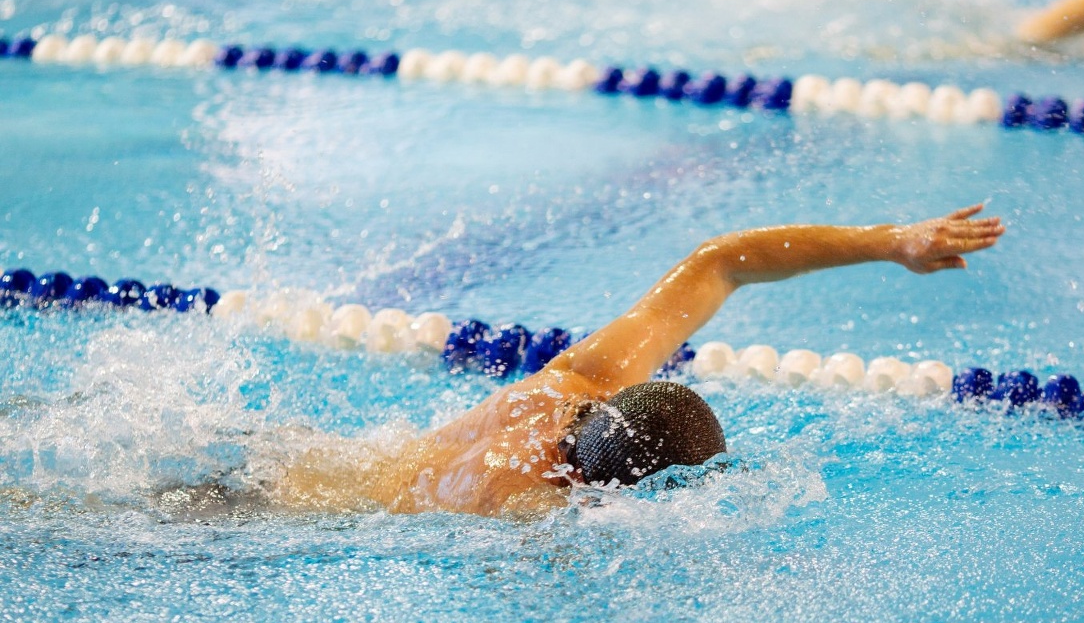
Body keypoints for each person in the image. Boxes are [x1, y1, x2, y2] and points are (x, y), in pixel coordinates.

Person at [272, 206, 1006, 518]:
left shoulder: (573, 383)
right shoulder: (528, 503)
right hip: (283, 516)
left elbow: (721, 261)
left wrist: (889, 240)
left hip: (300, 462)